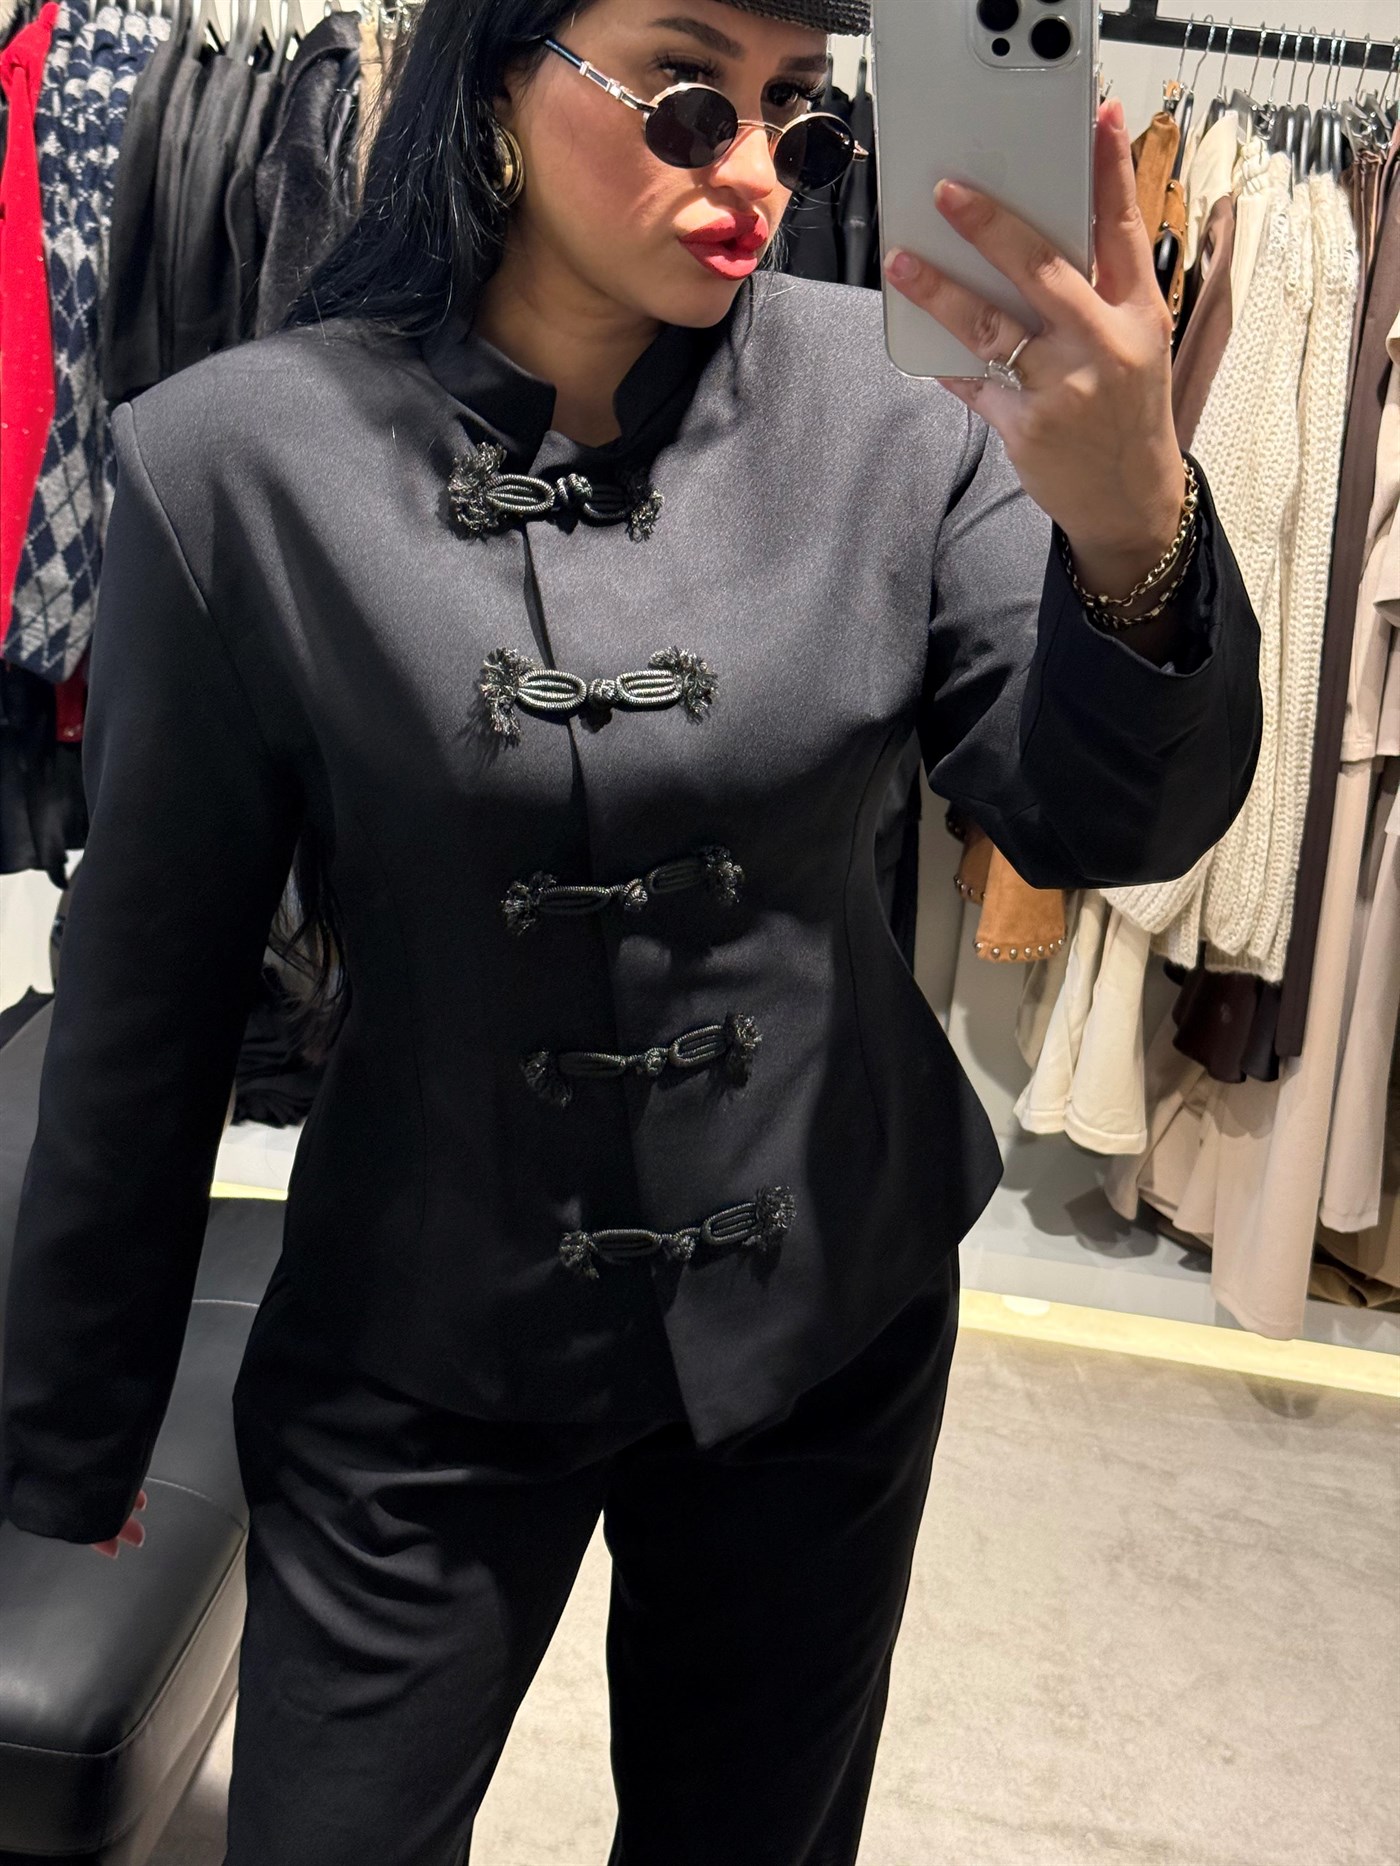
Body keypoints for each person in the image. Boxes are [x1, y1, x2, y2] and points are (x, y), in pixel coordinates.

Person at [0, 0, 1261, 1859]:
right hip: (421, 1346)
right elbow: (147, 1000)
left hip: (823, 1314)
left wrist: (1134, 531)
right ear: (499, 76)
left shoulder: (908, 413)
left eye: (794, 114)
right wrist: (71, 1437)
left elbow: (1099, 821)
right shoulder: (237, 467)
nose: (753, 172)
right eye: (685, 99)